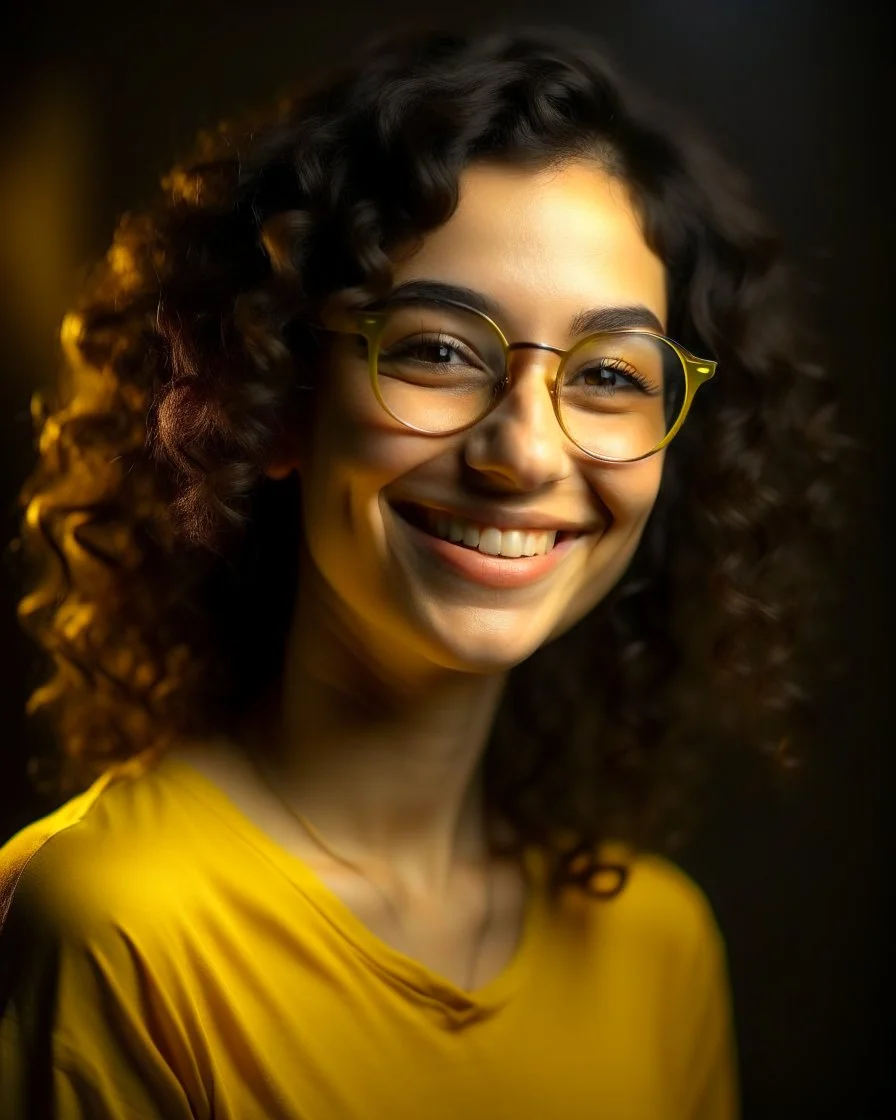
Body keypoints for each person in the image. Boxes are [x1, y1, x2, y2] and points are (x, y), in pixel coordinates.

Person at [0, 21, 852, 1120]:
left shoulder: (658, 944)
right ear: (270, 399)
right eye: (439, 349)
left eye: (605, 373)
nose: (526, 452)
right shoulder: (111, 926)